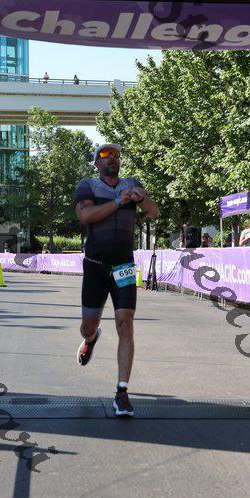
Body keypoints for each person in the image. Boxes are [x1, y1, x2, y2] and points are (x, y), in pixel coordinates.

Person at [74, 143, 158, 417]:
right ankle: (91, 339)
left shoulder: (132, 183)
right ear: (96, 163)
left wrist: (142, 199)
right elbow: (85, 216)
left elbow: (153, 212)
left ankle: (122, 392)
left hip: (123, 266)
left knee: (125, 323)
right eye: (105, 155)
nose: (112, 158)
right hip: (96, 266)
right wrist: (119, 202)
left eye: (116, 155)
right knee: (88, 326)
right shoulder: (87, 185)